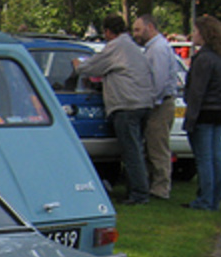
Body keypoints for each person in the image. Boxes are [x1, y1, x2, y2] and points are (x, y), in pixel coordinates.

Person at [75, 14, 154, 205]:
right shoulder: (133, 47)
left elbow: (92, 67)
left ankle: (139, 194)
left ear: (108, 32)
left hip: (127, 105)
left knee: (131, 151)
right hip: (143, 103)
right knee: (137, 149)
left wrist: (77, 65)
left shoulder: (115, 47)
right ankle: (137, 189)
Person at [183, 14, 221, 211]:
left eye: (195, 31)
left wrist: (190, 119)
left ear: (203, 34)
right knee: (215, 157)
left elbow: (196, 92)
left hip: (203, 112)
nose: (193, 35)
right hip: (218, 111)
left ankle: (204, 200)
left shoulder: (203, 59)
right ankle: (215, 198)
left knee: (203, 159)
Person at [132, 13, 178, 200]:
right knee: (153, 146)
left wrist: (148, 102)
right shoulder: (155, 47)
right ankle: (155, 184)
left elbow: (158, 82)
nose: (135, 34)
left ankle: (160, 189)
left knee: (158, 147)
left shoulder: (157, 49)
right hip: (159, 102)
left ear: (150, 27)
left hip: (159, 104)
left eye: (138, 29)